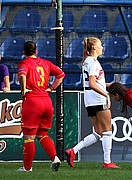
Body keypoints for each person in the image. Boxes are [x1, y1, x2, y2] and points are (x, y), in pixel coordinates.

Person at [65, 37, 119, 168]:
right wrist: (106, 95)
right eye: (100, 45)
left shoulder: (87, 61)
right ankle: (107, 162)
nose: (102, 47)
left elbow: (94, 82)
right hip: (97, 99)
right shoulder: (93, 63)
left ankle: (73, 150)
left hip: (89, 100)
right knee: (107, 131)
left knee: (98, 132)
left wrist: (109, 85)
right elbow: (93, 83)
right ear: (94, 47)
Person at [17, 41, 65, 172]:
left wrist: (23, 90)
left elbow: (22, 76)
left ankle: (27, 168)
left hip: (33, 102)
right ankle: (54, 158)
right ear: (36, 51)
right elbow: (61, 75)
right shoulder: (46, 63)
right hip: (46, 101)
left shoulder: (24, 63)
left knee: (29, 137)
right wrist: (51, 88)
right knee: (42, 134)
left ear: (24, 52)